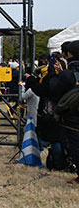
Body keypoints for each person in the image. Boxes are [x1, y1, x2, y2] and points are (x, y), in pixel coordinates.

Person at [52, 40, 79, 183]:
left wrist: (56, 76)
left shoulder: (68, 74)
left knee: (75, 145)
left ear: (69, 54)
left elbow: (56, 92)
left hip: (72, 115)